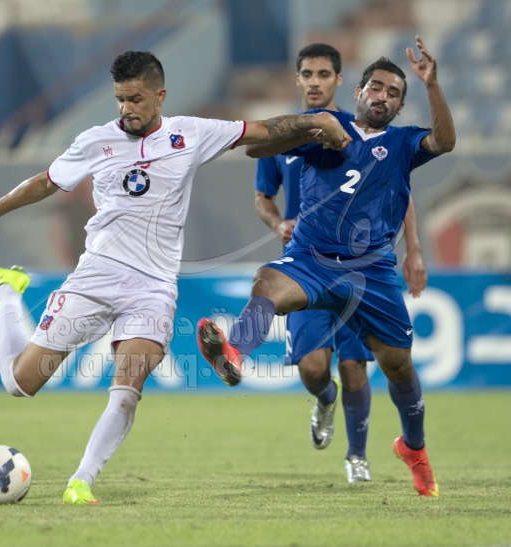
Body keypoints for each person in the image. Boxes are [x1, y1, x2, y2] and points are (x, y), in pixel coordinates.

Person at [0, 50, 351, 505]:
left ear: (160, 96)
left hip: (153, 288)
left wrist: (317, 121)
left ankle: (81, 481)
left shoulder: (190, 134)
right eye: (120, 99)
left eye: (135, 99)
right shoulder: (95, 140)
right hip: (96, 276)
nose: (126, 108)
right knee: (20, 384)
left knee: (127, 390)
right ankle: (7, 290)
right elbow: (46, 182)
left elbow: (262, 130)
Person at [198, 37, 455, 497]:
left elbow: (446, 141)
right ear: (358, 91)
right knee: (267, 282)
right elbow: (258, 151)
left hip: (370, 272)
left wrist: (432, 86)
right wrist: (312, 124)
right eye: (375, 87)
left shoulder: (403, 142)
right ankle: (234, 353)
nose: (382, 96)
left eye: (393, 93)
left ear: (400, 107)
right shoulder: (326, 128)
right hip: (312, 259)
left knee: (398, 368)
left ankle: (413, 448)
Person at [254, 43, 428, 483]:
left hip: (361, 265)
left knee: (355, 364)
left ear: (340, 81)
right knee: (313, 368)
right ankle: (323, 398)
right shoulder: (291, 133)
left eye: (323, 74)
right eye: (307, 74)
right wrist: (277, 223)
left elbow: (399, 191)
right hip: (309, 260)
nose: (314, 82)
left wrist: (414, 248)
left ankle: (357, 457)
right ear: (298, 79)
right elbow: (262, 195)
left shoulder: (364, 130)